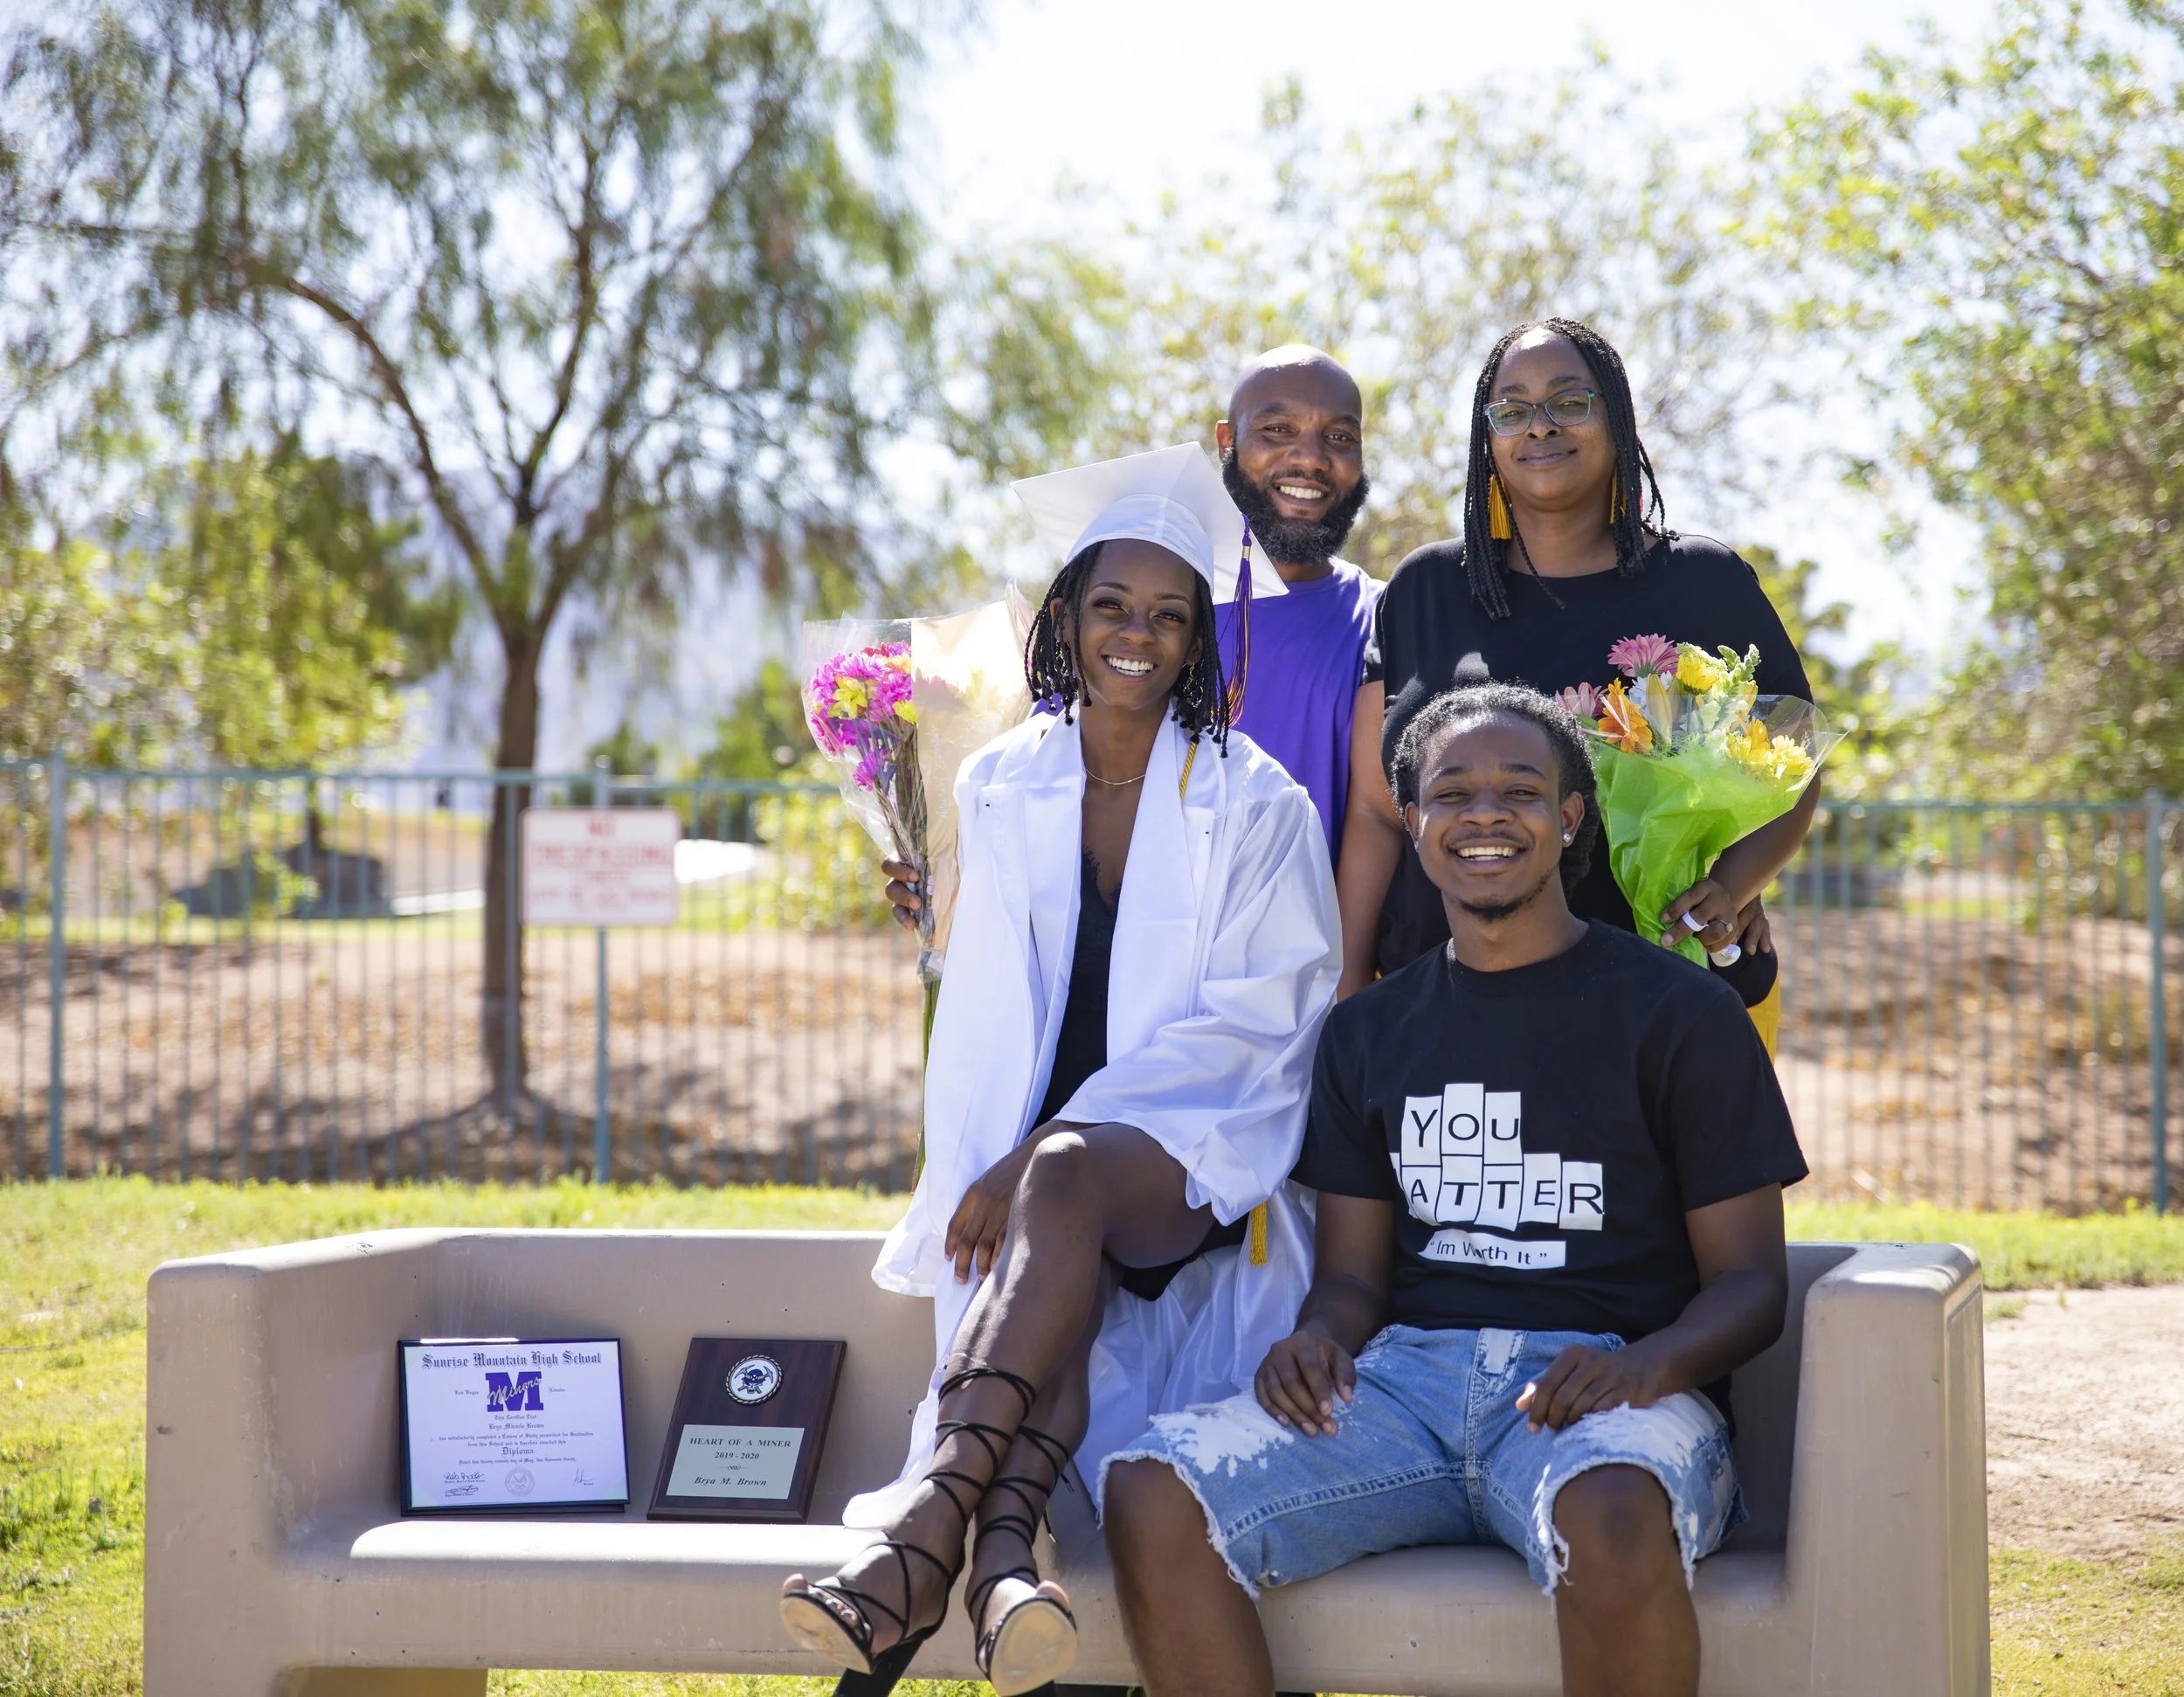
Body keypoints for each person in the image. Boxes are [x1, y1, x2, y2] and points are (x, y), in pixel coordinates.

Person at [1102, 680, 1809, 1697]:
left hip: (1607, 1390)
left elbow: (1749, 1284)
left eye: (1519, 791)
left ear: (1568, 821)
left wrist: (1644, 1368)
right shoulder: (1366, 1032)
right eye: (1452, 792)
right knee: (1152, 1489)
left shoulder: (1681, 1015)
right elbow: (1353, 1278)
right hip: (1402, 1391)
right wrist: (1317, 1340)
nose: (1484, 814)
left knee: (1609, 1515)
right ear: (1416, 820)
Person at [781, 450, 1341, 1695]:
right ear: (1065, 621)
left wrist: (1032, 1154)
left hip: (1190, 1169)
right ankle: (985, 1556)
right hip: (1036, 1207)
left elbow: (1265, 1032)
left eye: (1168, 613)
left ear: (1199, 640)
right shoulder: (993, 782)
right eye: (1110, 606)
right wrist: (934, 908)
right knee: (1059, 1233)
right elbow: (984, 1016)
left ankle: (928, 1526)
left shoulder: (1261, 809)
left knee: (1072, 1181)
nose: (1135, 634)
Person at [1335, 318, 1816, 1036]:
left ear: (1615, 417)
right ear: (1488, 437)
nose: (1540, 427)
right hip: (1435, 1007)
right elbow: (1377, 813)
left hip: (1647, 1008)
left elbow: (1795, 766)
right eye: (1514, 410)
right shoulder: (1425, 590)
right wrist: (1348, 997)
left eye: (1569, 401)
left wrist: (1729, 888)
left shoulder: (1703, 584)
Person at [883, 345, 1379, 932]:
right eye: (1278, 429)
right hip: (1111, 961)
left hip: (1286, 974)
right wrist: (948, 868)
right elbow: (1034, 796)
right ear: (1228, 441)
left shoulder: (1383, 621)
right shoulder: (1138, 622)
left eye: (1339, 437)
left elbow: (1379, 827)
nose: (1310, 457)